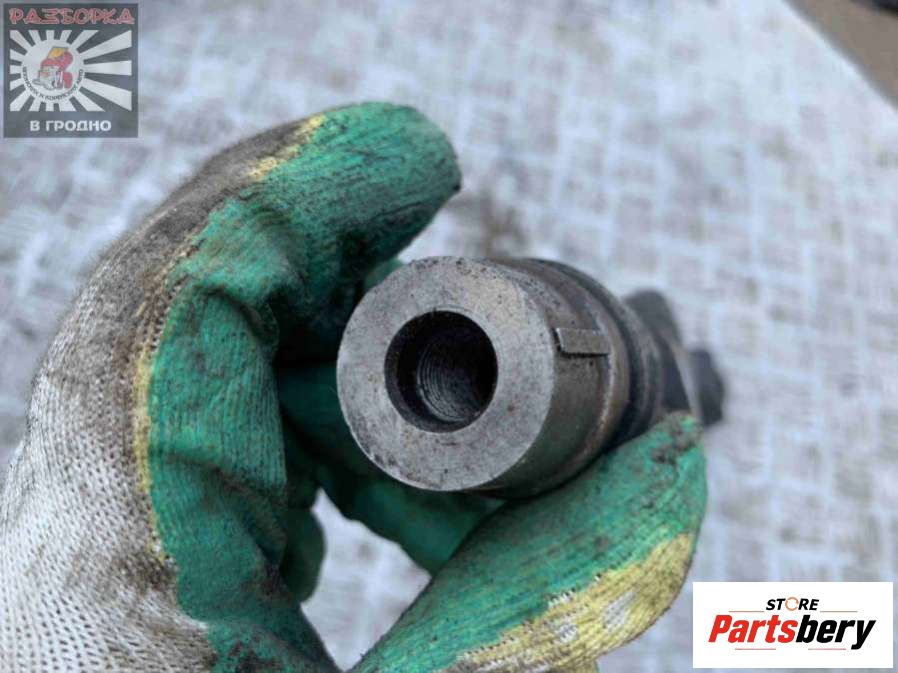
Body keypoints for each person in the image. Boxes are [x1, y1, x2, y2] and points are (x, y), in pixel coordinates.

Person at [0, 102, 706, 672]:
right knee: (640, 400)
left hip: (592, 377)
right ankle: (681, 382)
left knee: (628, 380)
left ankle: (675, 375)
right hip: (582, 406)